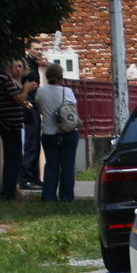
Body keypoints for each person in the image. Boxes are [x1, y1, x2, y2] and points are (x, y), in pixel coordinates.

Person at [0, 60, 36, 200]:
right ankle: (9, 192)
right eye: (15, 66)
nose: (17, 69)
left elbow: (16, 100)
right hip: (9, 124)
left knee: (13, 158)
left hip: (12, 123)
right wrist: (26, 89)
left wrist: (23, 102)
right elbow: (18, 98)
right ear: (10, 66)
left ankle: (10, 190)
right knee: (14, 159)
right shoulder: (3, 79)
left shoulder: (4, 79)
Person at [35, 63, 79, 202]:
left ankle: (48, 196)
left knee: (51, 164)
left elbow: (39, 109)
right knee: (67, 165)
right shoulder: (68, 92)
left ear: (47, 76)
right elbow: (74, 113)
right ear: (61, 77)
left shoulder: (41, 91)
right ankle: (66, 196)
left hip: (49, 133)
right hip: (68, 133)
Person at [20, 40, 46, 189]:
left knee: (36, 143)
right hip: (28, 108)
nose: (39, 51)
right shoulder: (25, 65)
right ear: (28, 50)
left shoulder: (34, 65)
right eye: (36, 49)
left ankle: (35, 178)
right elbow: (20, 85)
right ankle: (25, 179)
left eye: (41, 49)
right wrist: (25, 101)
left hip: (34, 107)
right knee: (31, 143)